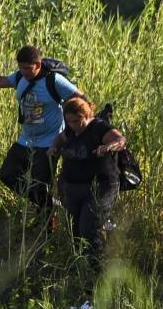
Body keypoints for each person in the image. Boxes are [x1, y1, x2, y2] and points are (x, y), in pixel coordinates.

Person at [0, 45, 85, 214]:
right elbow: (0, 81)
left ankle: (46, 223)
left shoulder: (54, 81)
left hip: (49, 142)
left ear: (38, 65)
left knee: (40, 185)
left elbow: (82, 99)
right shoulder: (19, 78)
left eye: (27, 68)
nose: (24, 72)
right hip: (26, 140)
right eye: (21, 68)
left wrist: (79, 127)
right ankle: (49, 204)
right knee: (7, 174)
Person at [48, 97, 126, 268]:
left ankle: (98, 270)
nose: (72, 125)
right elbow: (60, 139)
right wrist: (54, 148)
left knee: (88, 229)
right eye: (68, 121)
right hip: (72, 187)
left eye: (76, 121)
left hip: (100, 187)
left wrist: (107, 147)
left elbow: (120, 141)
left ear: (87, 115)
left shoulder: (99, 128)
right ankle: (82, 269)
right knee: (75, 230)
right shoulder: (70, 129)